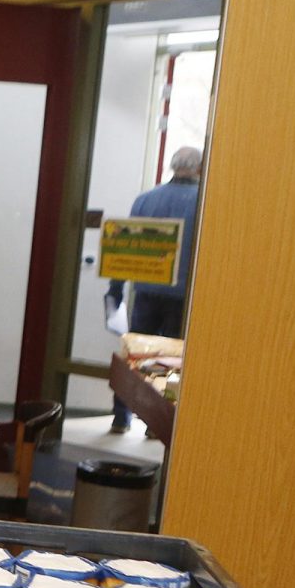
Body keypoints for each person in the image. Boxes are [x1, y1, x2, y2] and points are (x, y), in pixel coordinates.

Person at [107, 145, 203, 432]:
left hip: (146, 292)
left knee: (136, 357)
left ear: (173, 167)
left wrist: (116, 287)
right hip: (183, 298)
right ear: (198, 169)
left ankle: (120, 417)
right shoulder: (204, 203)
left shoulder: (145, 201)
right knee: (171, 361)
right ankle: (156, 424)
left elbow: (126, 248)